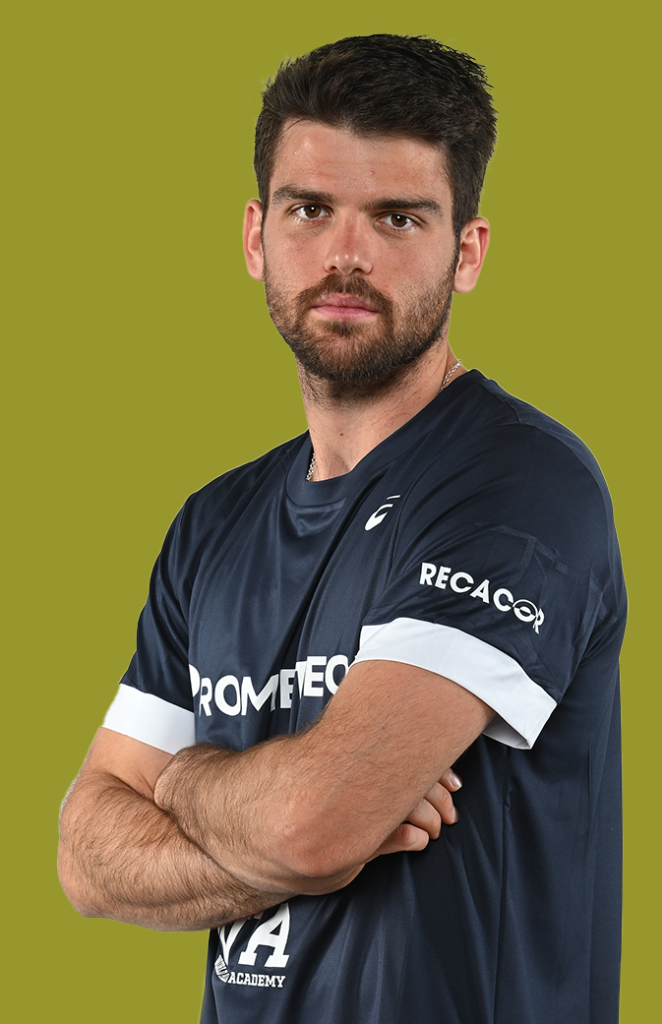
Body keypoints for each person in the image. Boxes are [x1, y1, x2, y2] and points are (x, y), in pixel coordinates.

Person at [58, 34, 626, 1024]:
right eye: (309, 210)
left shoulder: (518, 483)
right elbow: (85, 856)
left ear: (467, 252)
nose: (344, 256)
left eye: (397, 217)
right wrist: (283, 822)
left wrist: (184, 781)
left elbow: (313, 824)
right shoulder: (213, 523)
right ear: (255, 236)